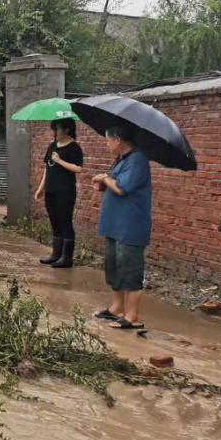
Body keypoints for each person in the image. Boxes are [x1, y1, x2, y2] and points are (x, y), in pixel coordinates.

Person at [91, 123, 152, 330]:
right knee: (114, 267)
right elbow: (113, 184)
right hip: (114, 225)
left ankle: (132, 316)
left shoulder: (138, 160)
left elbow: (122, 189)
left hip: (130, 226)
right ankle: (117, 308)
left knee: (130, 270)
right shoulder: (121, 160)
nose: (106, 144)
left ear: (118, 140)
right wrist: (103, 182)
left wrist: (105, 178)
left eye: (108, 140)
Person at [33, 117, 84, 267]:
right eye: (54, 129)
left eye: (57, 129)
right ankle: (56, 253)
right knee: (54, 221)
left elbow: (78, 169)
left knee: (65, 221)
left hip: (65, 192)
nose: (55, 132)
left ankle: (67, 258)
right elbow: (47, 169)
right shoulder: (52, 146)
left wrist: (60, 160)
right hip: (51, 190)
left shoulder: (74, 148)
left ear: (67, 130)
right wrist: (41, 188)